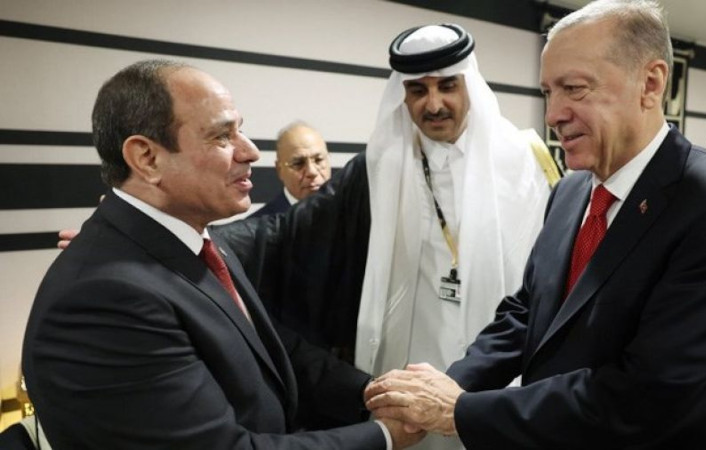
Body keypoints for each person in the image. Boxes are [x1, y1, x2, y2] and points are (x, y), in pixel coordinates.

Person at [364, 1, 706, 449]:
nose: (553, 115)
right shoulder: (571, 190)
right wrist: (450, 384)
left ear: (651, 83)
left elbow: (650, 393)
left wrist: (458, 410)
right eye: (549, 92)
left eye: (575, 89)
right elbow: (529, 312)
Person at [23, 59, 421, 449]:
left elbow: (263, 349)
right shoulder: (106, 297)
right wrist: (385, 436)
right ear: (147, 158)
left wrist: (373, 392)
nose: (250, 152)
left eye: (240, 130)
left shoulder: (197, 242)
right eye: (222, 136)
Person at [215, 22, 552, 381]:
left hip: (501, 363)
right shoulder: (379, 169)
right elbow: (286, 231)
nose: (433, 104)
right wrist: (203, 243)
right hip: (411, 365)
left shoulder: (524, 162)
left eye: (447, 86)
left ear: (469, 84)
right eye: (418, 90)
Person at [250, 121, 332, 217]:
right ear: (279, 169)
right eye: (298, 163)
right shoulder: (258, 224)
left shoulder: (346, 213)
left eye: (318, 160)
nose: (312, 172)